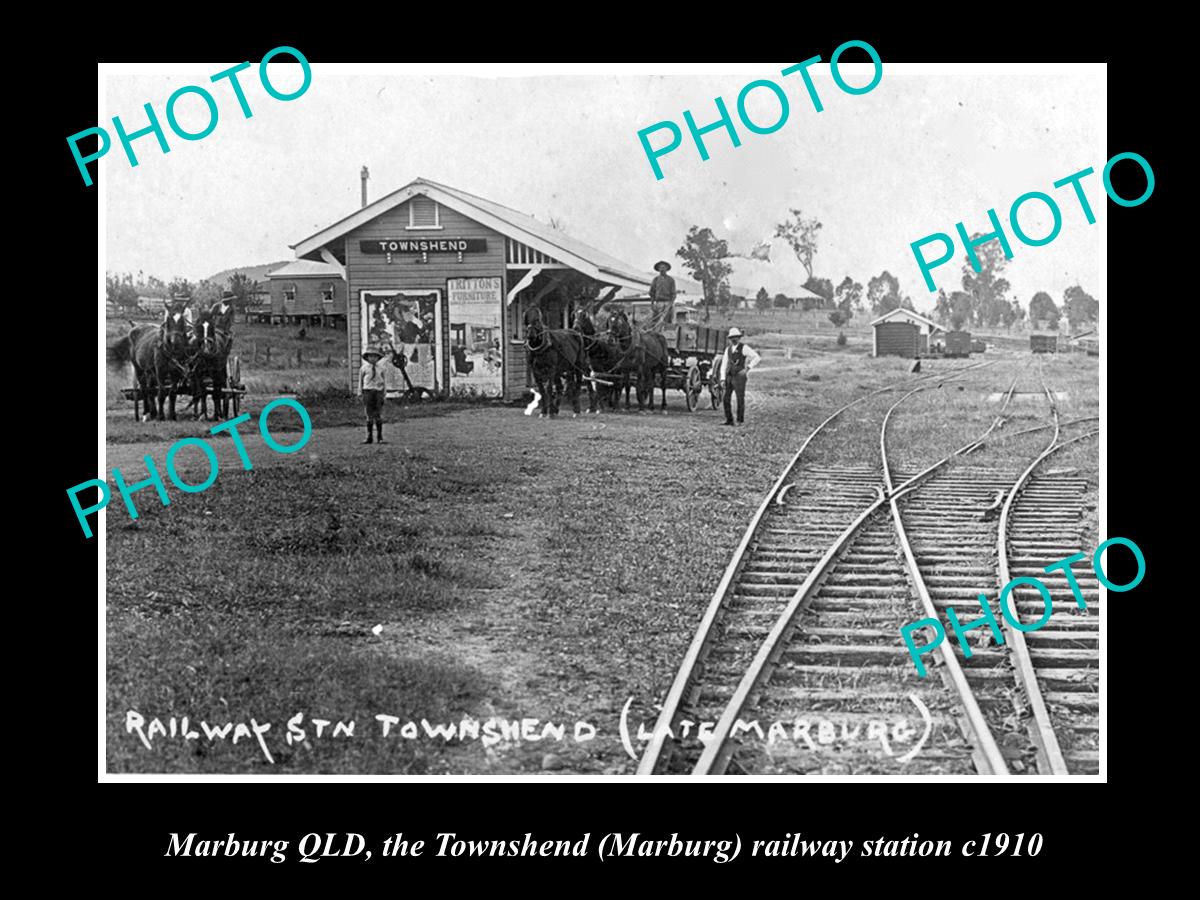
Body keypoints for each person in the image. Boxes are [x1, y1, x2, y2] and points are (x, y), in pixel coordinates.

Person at [719, 327, 761, 426]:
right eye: (732, 338)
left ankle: (739, 420)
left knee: (740, 398)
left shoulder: (744, 348)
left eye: (736, 337)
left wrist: (747, 368)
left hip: (739, 377)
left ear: (739, 338)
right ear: (729, 339)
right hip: (730, 376)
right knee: (726, 398)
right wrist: (722, 379)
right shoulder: (728, 350)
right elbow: (724, 364)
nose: (734, 339)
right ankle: (729, 420)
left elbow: (757, 357)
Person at [360, 346, 388, 444]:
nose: (372, 358)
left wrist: (384, 392)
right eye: (370, 356)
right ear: (367, 358)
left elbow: (384, 381)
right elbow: (361, 381)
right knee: (369, 413)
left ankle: (380, 437)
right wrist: (360, 392)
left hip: (378, 392)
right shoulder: (364, 368)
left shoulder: (382, 369)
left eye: (375, 357)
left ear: (378, 358)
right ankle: (369, 436)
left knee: (378, 413)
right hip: (368, 391)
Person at [649, 260, 676, 327]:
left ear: (666, 269)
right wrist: (652, 304)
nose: (662, 269)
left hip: (668, 302)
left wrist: (670, 304)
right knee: (654, 321)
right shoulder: (655, 279)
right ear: (658, 269)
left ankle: (671, 332)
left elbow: (673, 294)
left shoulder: (671, 280)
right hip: (658, 303)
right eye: (660, 267)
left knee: (670, 320)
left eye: (664, 267)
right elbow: (652, 293)